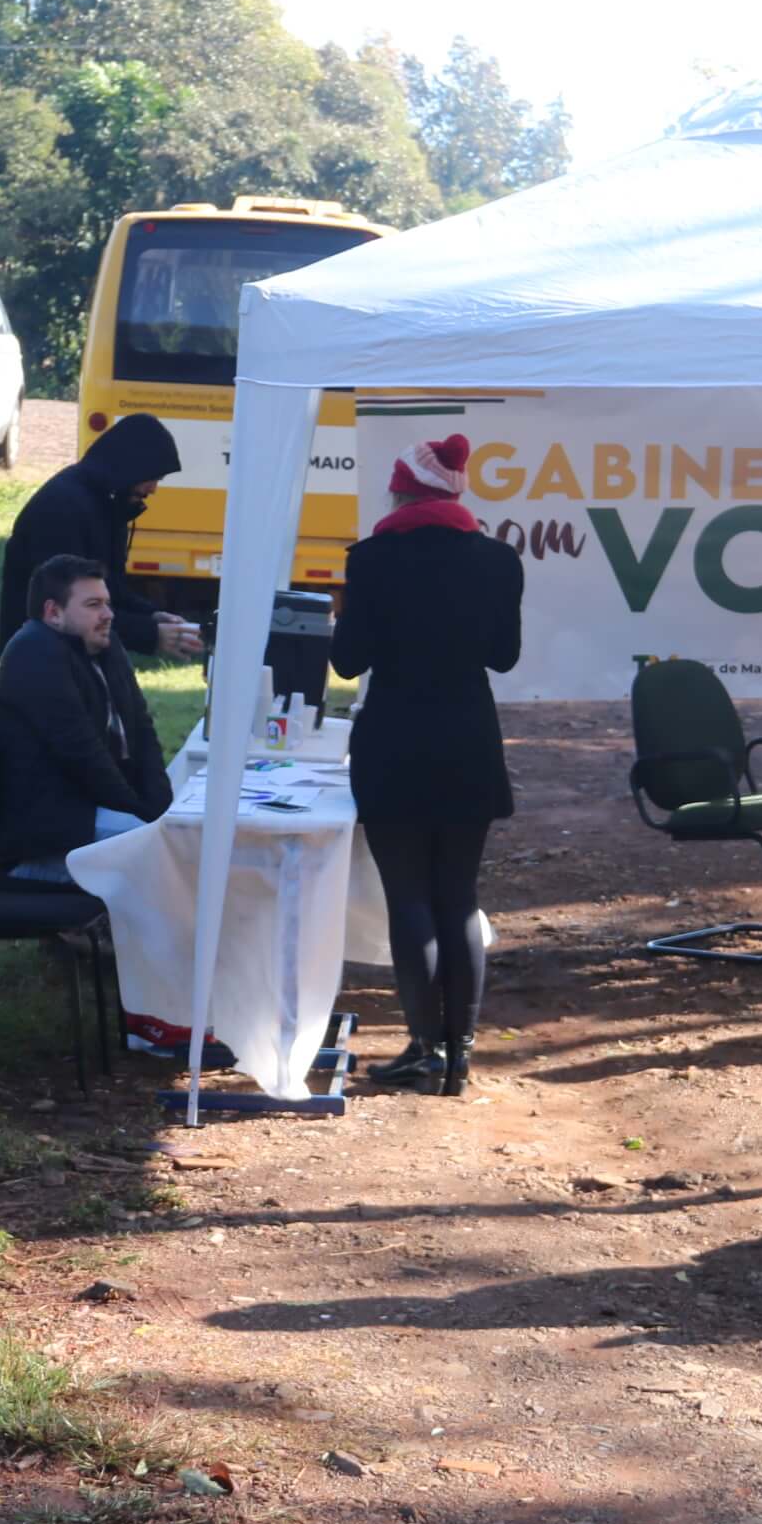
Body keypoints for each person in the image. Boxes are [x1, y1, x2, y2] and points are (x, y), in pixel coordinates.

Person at [331, 434, 522, 1098]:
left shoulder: (372, 559)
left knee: (408, 897)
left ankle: (425, 1049)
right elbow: (505, 656)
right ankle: (461, 1054)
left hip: (394, 742)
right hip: (468, 739)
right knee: (459, 897)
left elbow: (348, 661)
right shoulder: (499, 561)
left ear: (403, 491)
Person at [0, 554, 172, 884]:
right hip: (47, 839)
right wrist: (144, 816)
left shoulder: (103, 647)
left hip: (87, 817)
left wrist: (161, 808)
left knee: (175, 839)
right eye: (93, 604)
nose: (108, 615)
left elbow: (142, 730)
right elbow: (83, 755)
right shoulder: (34, 653)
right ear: (53, 612)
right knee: (165, 855)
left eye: (108, 604)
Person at [0, 412, 200, 663]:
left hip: (77, 659)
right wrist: (148, 634)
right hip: (40, 659)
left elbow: (111, 590)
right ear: (131, 466)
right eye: (152, 478)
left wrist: (154, 616)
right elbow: (73, 606)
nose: (153, 489)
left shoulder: (109, 505)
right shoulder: (62, 507)